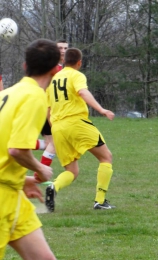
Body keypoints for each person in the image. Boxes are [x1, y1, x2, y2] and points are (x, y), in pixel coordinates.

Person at [0, 38, 60, 260]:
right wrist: (40, 169)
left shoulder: (7, 94)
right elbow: (17, 149)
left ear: (25, 66)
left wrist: (21, 180)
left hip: (12, 194)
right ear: (56, 70)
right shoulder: (34, 96)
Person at [45, 47, 115, 212]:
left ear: (63, 61)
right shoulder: (76, 75)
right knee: (106, 157)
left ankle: (53, 187)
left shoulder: (52, 80)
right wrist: (102, 109)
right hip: (76, 122)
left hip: (57, 127)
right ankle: (100, 201)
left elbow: (48, 109)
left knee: (72, 171)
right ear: (79, 63)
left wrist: (55, 127)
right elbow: (83, 92)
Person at [34, 39, 69, 160]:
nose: (63, 51)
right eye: (60, 48)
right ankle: (40, 176)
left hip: (50, 110)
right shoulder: (51, 68)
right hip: (45, 109)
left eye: (65, 48)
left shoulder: (62, 69)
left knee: (50, 144)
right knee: (54, 144)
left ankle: (17, 143)